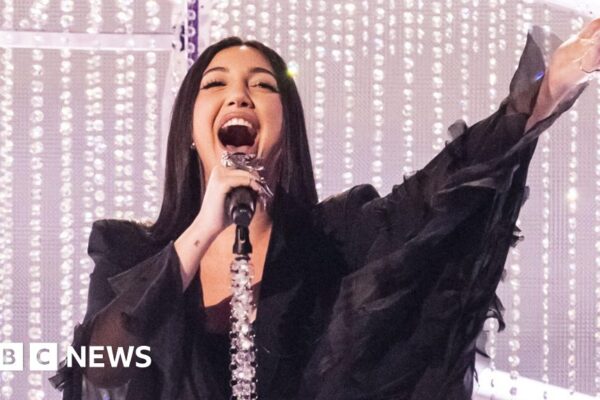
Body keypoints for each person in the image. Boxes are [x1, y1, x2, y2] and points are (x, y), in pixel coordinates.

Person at [49, 18, 600, 400]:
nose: (238, 96)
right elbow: (102, 371)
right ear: (191, 132)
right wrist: (202, 230)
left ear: (285, 130)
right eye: (216, 84)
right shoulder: (127, 252)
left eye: (261, 85)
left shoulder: (334, 241)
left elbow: (439, 191)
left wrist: (546, 92)